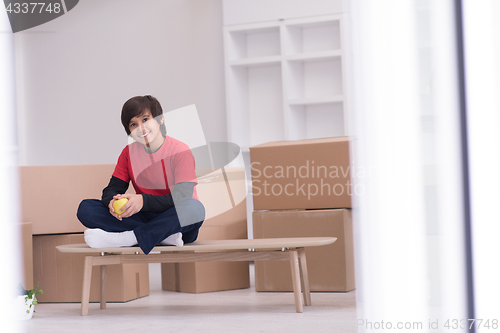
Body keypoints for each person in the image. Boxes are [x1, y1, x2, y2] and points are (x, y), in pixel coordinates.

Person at [77, 95, 205, 255]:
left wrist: (143, 201)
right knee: (86, 208)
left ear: (160, 120)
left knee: (195, 208)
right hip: (145, 217)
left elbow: (182, 197)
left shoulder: (180, 150)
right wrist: (111, 202)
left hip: (177, 220)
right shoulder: (128, 153)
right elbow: (111, 189)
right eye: (133, 124)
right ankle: (162, 237)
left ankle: (129, 238)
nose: (141, 128)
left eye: (145, 119)